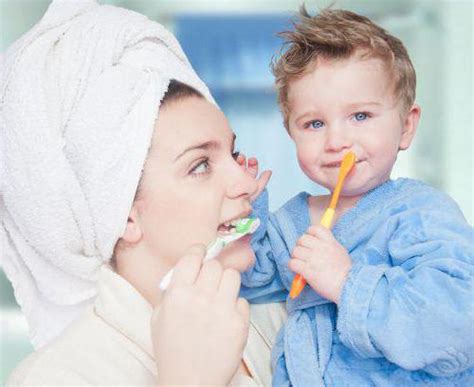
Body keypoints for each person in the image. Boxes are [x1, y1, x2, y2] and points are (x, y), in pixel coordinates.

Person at [1, 1, 285, 385]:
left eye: (233, 153)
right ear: (124, 215)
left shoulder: (275, 316)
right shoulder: (53, 378)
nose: (246, 183)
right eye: (200, 165)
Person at [240, 7, 474, 386]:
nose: (336, 142)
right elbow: (247, 277)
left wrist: (347, 283)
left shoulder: (421, 215)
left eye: (361, 116)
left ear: (406, 126)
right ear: (291, 133)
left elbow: (457, 321)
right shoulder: (291, 223)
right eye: (314, 123)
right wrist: (242, 210)